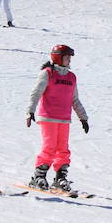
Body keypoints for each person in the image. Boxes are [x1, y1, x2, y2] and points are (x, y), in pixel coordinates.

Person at [26, 44, 90, 192]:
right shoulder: (47, 73)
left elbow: (75, 100)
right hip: (48, 117)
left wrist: (83, 118)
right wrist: (30, 111)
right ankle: (39, 176)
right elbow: (35, 93)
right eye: (66, 57)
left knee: (63, 149)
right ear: (58, 57)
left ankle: (60, 177)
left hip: (64, 119)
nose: (69, 60)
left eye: (69, 58)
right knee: (50, 147)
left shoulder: (71, 77)